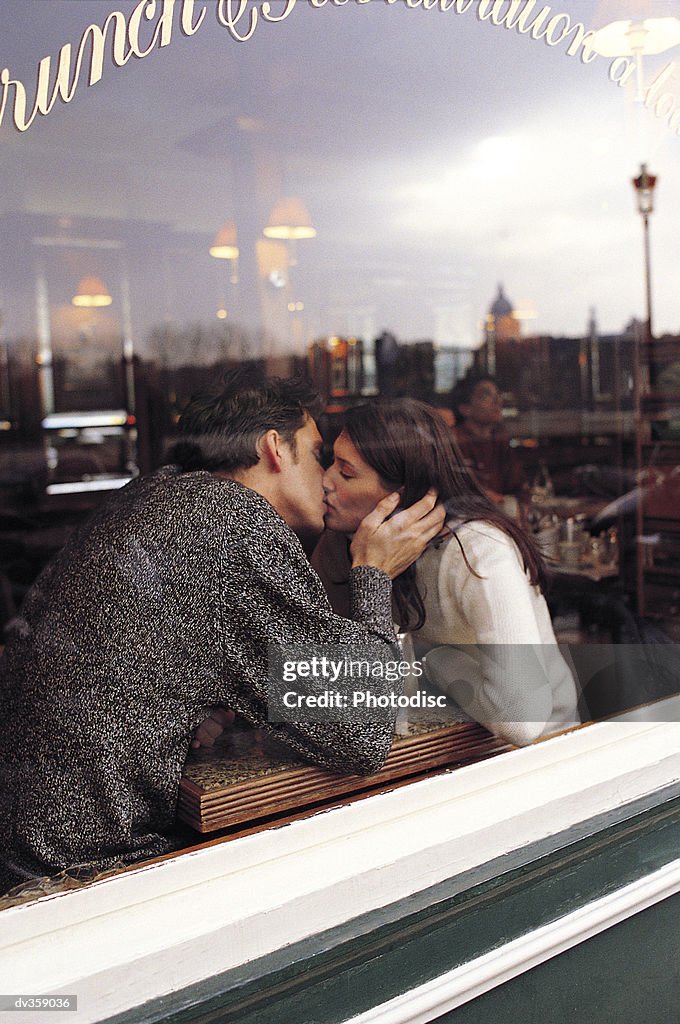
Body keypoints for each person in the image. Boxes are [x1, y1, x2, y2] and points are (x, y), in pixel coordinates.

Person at [0, 369, 445, 894]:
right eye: (318, 452)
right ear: (275, 447)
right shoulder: (230, 520)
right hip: (87, 881)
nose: (325, 476)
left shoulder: (152, 496)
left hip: (30, 857)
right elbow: (360, 733)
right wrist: (374, 572)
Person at [313, 398, 580, 747]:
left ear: (400, 495)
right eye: (329, 462)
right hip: (438, 749)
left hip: (542, 755)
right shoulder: (345, 546)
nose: (326, 481)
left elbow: (522, 720)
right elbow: (334, 688)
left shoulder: (480, 550)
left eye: (346, 472)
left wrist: (436, 661)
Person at [450, 373, 528, 510]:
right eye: (486, 396)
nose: (498, 401)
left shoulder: (500, 439)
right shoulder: (453, 441)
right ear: (465, 409)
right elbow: (457, 493)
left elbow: (519, 488)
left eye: (498, 394)